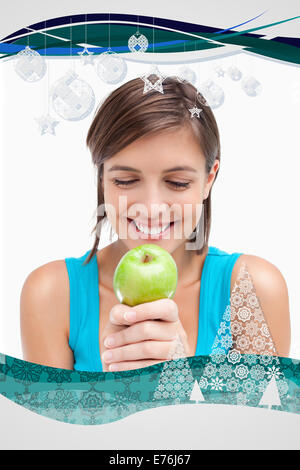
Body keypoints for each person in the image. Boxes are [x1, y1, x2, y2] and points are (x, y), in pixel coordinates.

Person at [20, 74, 291, 373]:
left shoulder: (251, 288)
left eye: (177, 183)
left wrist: (181, 379)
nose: (151, 208)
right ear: (101, 177)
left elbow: (261, 419)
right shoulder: (52, 294)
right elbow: (48, 421)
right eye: (125, 180)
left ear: (209, 179)